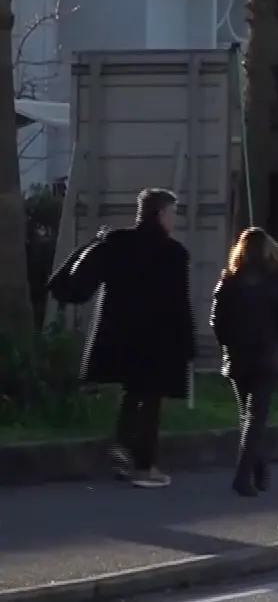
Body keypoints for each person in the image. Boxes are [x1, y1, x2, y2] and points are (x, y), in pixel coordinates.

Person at [63, 188, 197, 488]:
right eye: (172, 213)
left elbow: (85, 281)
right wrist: (187, 342)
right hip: (157, 338)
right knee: (150, 400)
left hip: (119, 334)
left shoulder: (117, 242)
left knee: (132, 392)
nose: (174, 219)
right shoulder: (174, 253)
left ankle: (122, 446)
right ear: (161, 214)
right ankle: (145, 466)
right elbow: (178, 302)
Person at [209, 228, 278, 497]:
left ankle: (259, 471)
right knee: (256, 416)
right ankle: (244, 475)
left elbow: (217, 319)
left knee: (248, 415)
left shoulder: (229, 279)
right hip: (268, 355)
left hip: (238, 356)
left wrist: (226, 343)